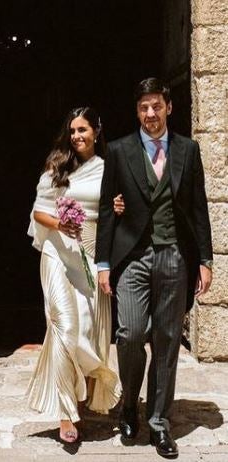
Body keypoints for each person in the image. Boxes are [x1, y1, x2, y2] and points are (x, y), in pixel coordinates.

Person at [95, 78, 213, 458]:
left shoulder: (188, 151)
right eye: (144, 107)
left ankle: (159, 423)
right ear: (137, 111)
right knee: (129, 333)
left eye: (157, 106)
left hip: (175, 257)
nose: (150, 114)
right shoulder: (118, 150)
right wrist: (103, 262)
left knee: (166, 341)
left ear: (169, 108)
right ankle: (130, 403)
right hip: (132, 257)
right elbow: (105, 210)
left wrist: (206, 260)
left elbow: (198, 207)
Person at [27, 107, 123, 443]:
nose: (77, 136)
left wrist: (118, 207)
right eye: (72, 131)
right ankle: (66, 412)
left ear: (96, 131)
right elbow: (39, 212)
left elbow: (115, 206)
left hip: (92, 252)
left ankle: (84, 389)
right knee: (64, 325)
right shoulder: (57, 166)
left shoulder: (108, 168)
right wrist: (60, 223)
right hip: (57, 252)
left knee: (89, 326)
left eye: (83, 130)